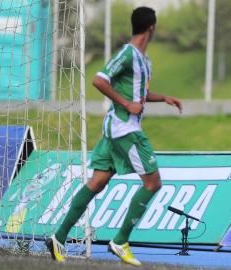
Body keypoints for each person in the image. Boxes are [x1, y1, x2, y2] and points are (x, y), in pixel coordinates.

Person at [45, 7, 182, 266]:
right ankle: (120, 241)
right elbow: (99, 79)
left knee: (97, 182)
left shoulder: (145, 59)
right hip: (124, 129)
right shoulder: (128, 54)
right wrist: (126, 105)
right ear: (151, 27)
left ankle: (58, 237)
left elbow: (137, 94)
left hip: (115, 129)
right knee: (153, 183)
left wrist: (163, 97)